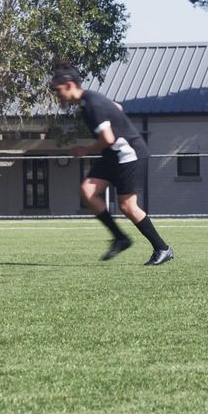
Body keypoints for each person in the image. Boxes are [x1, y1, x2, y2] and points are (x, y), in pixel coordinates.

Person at [49, 62, 174, 266]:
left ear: (70, 85)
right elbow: (118, 107)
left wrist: (85, 150)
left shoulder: (92, 105)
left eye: (57, 90)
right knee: (87, 192)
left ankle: (162, 248)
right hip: (112, 156)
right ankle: (120, 238)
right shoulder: (88, 100)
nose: (56, 94)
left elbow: (107, 138)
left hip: (128, 155)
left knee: (127, 206)